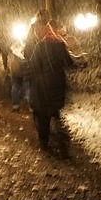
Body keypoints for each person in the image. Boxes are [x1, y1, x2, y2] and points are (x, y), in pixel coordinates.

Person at [27, 19, 74, 148]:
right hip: (58, 84)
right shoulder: (60, 44)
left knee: (43, 115)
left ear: (43, 30)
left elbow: (33, 66)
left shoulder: (40, 47)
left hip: (43, 86)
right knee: (55, 111)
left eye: (37, 30)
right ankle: (62, 141)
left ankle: (44, 142)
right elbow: (69, 62)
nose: (36, 33)